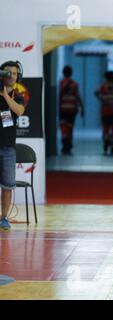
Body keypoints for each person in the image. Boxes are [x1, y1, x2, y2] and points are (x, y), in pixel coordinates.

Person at [0, 61, 26, 230]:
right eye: (8, 73)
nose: (11, 76)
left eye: (15, 73)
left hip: (8, 147)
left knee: (8, 185)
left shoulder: (18, 95)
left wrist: (6, 96)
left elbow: (19, 111)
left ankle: (4, 218)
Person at [95, 71, 113, 155]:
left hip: (106, 111)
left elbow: (96, 93)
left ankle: (106, 142)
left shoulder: (103, 86)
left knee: (106, 128)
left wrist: (102, 99)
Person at [59, 66, 84, 155]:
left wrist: (58, 108)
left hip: (63, 108)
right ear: (71, 73)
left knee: (63, 126)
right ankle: (68, 143)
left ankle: (65, 141)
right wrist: (82, 108)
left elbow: (60, 96)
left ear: (63, 73)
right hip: (72, 109)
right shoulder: (74, 84)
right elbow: (78, 97)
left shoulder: (61, 83)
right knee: (70, 127)